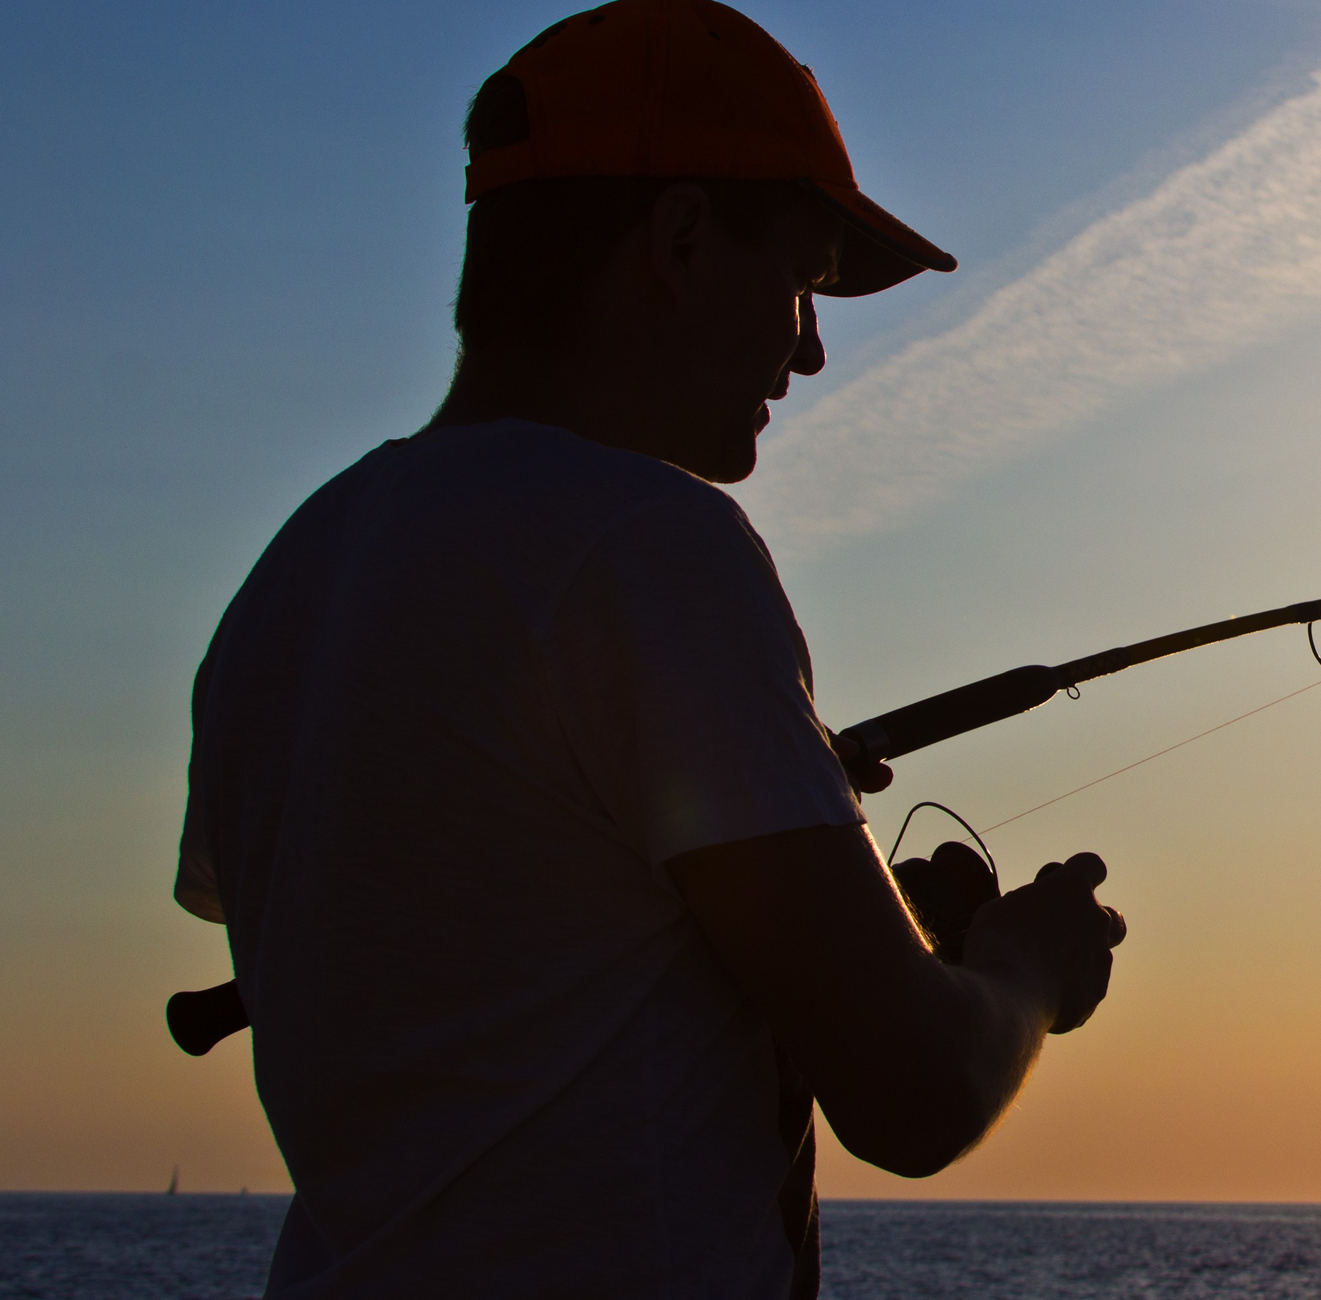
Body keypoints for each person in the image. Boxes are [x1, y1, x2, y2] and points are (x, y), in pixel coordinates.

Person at [171, 2, 1125, 1295]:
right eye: (799, 278)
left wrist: (853, 916)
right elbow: (912, 1093)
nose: (811, 345)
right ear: (679, 237)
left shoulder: (289, 581)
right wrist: (1024, 971)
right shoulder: (644, 544)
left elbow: (507, 967)